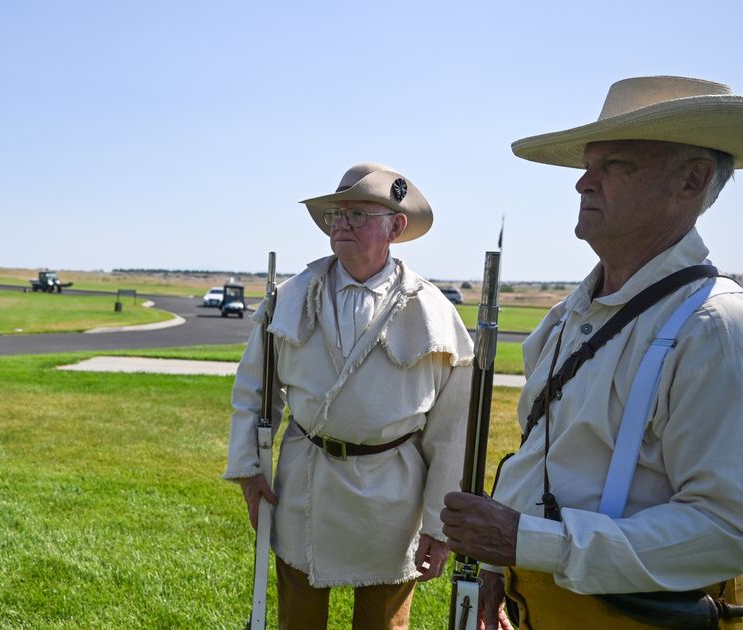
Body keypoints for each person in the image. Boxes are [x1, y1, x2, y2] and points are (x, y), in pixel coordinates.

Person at [440, 76, 743, 628]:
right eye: (588, 165)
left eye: (615, 165)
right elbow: (543, 455)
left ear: (692, 180)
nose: (583, 183)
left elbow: (727, 531)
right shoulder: (569, 314)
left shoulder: (715, 327)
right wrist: (496, 563)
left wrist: (525, 542)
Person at [225, 163, 474, 629]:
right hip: (305, 483)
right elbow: (252, 390)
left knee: (382, 623)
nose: (341, 224)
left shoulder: (435, 315)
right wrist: (250, 469)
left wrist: (438, 526)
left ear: (395, 227)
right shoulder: (288, 299)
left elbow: (452, 433)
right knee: (297, 618)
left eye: (357, 214)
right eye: (337, 215)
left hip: (392, 496)